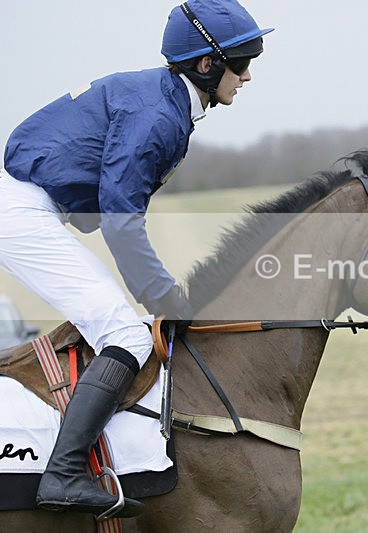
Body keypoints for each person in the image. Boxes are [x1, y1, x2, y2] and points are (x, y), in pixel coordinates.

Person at [0, 0, 273, 518]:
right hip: (21, 212)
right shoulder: (158, 113)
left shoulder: (163, 99)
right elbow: (121, 221)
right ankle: (62, 474)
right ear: (207, 64)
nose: (249, 73)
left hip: (27, 206)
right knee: (125, 334)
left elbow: (109, 206)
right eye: (243, 59)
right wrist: (167, 298)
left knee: (119, 324)